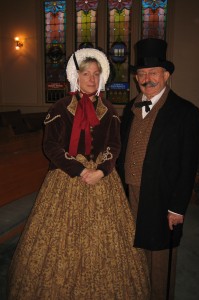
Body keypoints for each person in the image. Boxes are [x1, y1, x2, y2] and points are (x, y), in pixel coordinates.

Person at [8, 48, 150, 299]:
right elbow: (51, 146)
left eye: (97, 74)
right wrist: (80, 169)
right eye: (87, 73)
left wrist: (102, 171)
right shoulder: (61, 108)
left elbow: (114, 146)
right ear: (76, 75)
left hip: (101, 180)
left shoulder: (108, 109)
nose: (92, 79)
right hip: (66, 177)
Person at [117, 38, 199, 300]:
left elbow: (188, 164)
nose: (147, 78)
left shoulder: (185, 111)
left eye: (153, 73)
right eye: (141, 74)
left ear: (166, 75)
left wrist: (177, 207)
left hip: (162, 196)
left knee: (160, 258)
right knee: (132, 254)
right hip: (129, 192)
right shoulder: (129, 109)